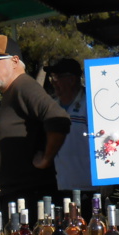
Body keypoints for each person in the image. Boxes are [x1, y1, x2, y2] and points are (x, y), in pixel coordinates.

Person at [0, 35, 71, 220]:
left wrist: (46, 159)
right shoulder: (13, 90)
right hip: (20, 196)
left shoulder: (24, 86)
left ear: (15, 61)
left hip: (30, 197)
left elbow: (59, 118)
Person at [46, 57, 96, 214]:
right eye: (53, 78)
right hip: (59, 185)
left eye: (58, 77)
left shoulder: (91, 104)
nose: (54, 82)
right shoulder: (51, 105)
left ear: (73, 79)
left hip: (86, 186)